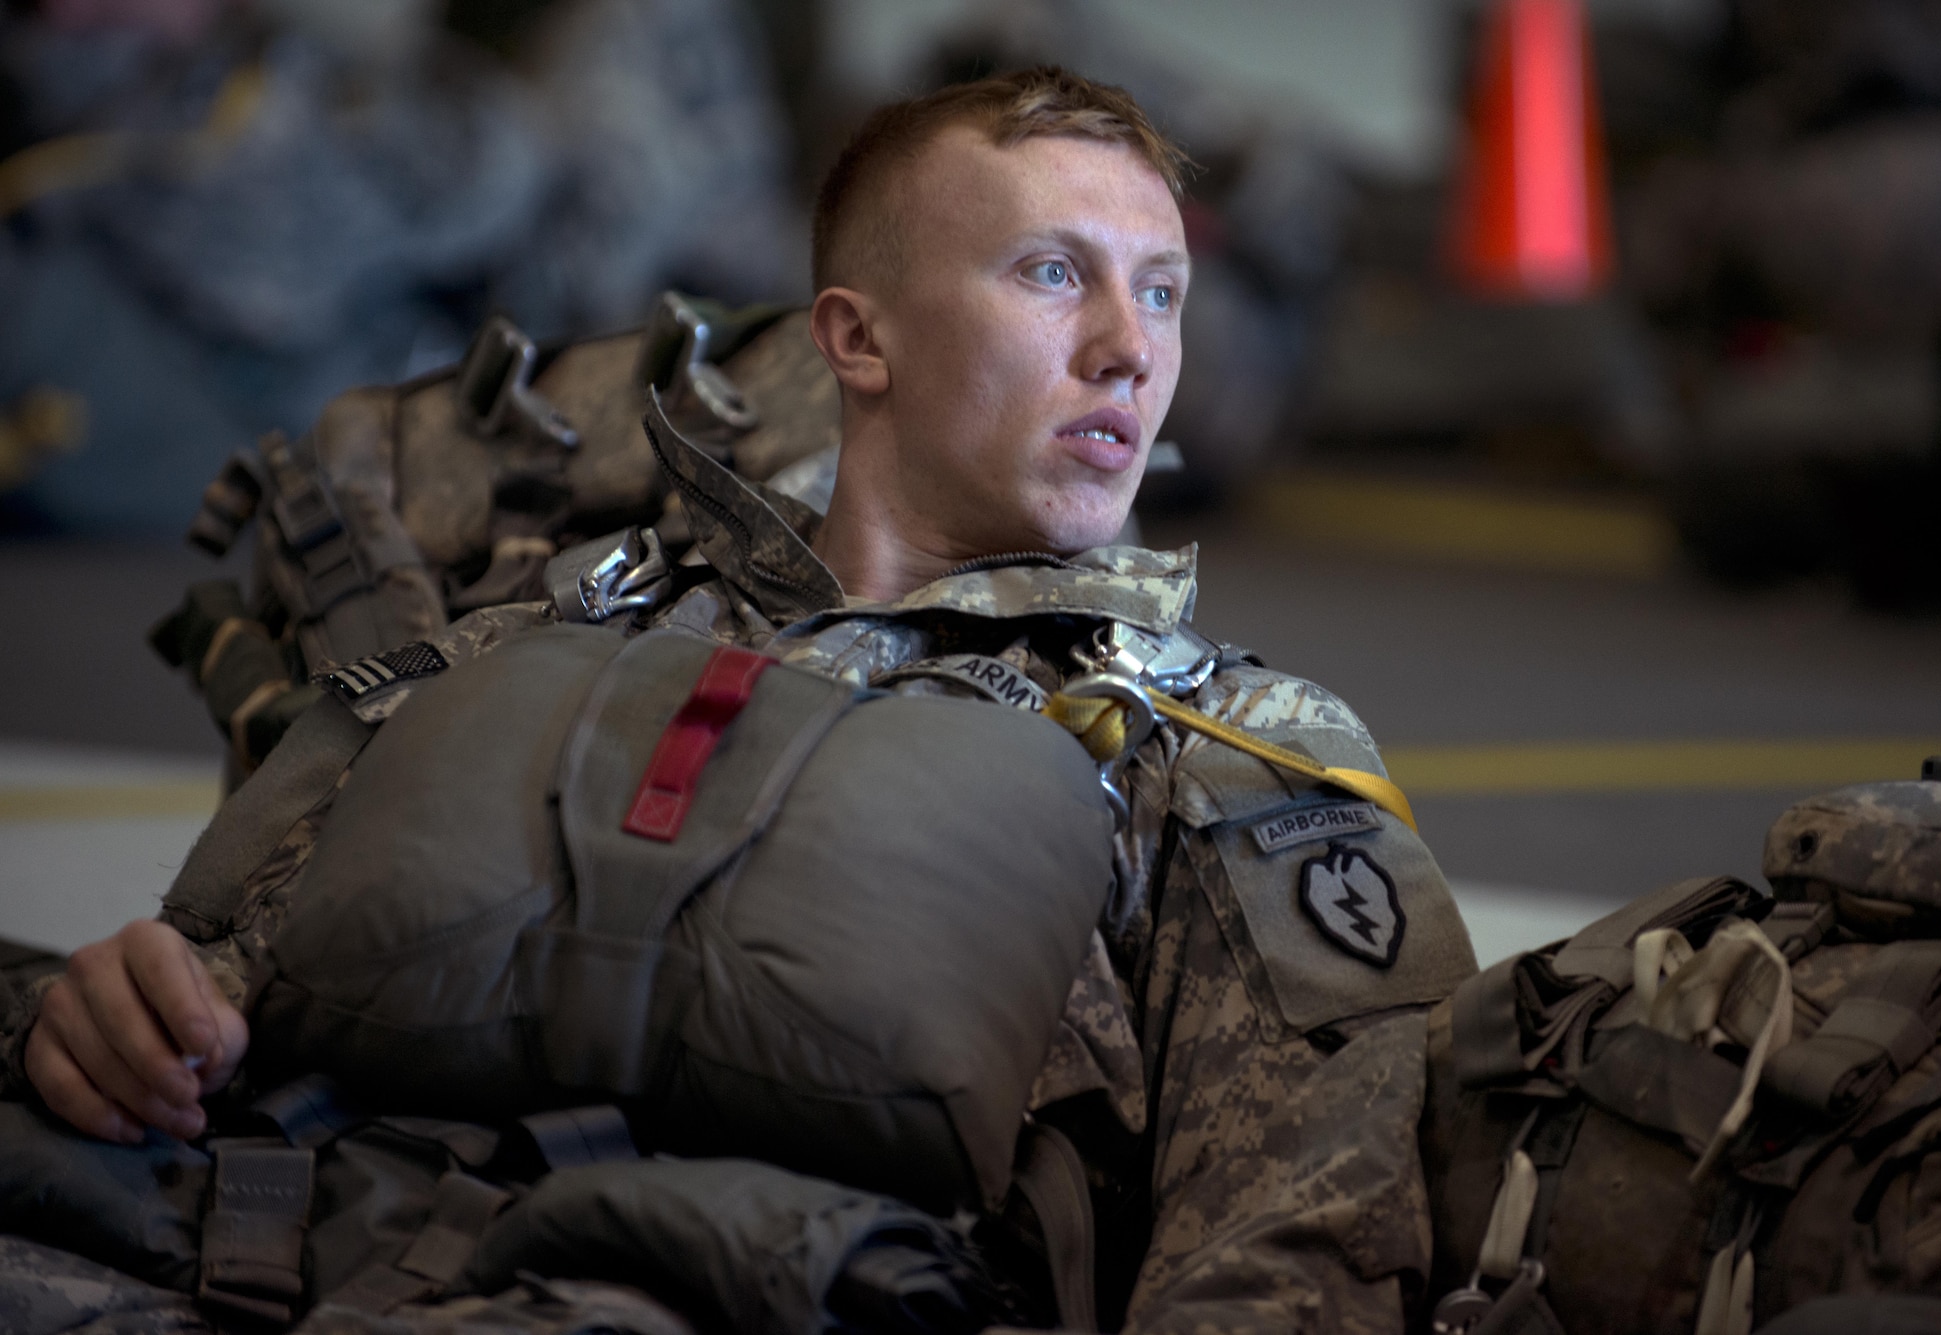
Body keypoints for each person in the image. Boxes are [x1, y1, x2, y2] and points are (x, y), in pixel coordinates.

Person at [7, 68, 1478, 1332]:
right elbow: (198, 992)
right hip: (287, 1255)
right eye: (1053, 273)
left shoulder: (1223, 754)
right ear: (857, 339)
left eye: (1161, 290)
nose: (1132, 348)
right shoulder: (537, 642)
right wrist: (111, 1016)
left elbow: (1311, 1225)